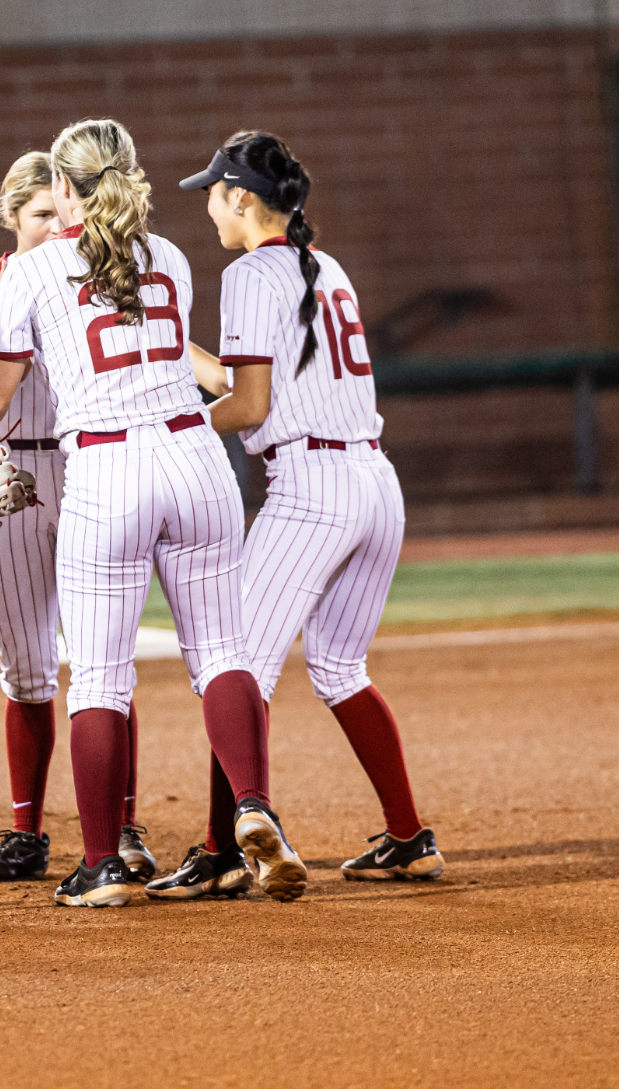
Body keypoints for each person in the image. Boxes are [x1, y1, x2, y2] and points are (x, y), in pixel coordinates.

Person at [0, 118, 306, 907]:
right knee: (220, 653)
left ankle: (104, 862)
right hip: (194, 457)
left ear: (66, 187)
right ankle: (252, 803)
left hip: (107, 466)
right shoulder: (170, 257)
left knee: (101, 678)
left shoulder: (35, 273)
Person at [160, 132, 444, 898]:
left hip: (311, 488)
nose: (209, 207)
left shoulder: (251, 271)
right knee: (340, 668)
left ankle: (224, 847)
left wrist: (164, 422)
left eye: (215, 193)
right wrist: (176, 354)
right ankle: (409, 836)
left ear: (243, 199)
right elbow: (259, 381)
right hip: (374, 485)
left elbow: (249, 405)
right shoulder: (325, 266)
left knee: (232, 666)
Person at [0, 151, 155, 884]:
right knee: (25, 667)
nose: (54, 224)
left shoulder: (97, 281)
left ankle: (123, 827)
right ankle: (26, 830)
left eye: (60, 210)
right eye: (38, 214)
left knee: (102, 660)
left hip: (85, 469)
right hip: (6, 471)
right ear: (11, 218)